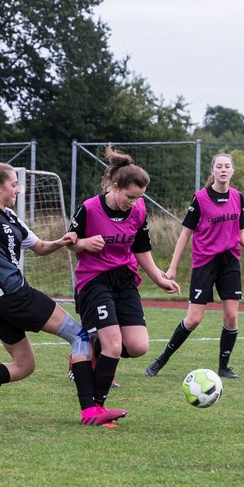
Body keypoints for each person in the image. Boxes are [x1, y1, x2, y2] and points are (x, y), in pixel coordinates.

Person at [0, 162, 124, 426]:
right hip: (12, 294)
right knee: (80, 337)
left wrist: (61, 242)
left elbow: (41, 247)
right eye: (14, 184)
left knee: (24, 365)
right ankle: (91, 410)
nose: (18, 189)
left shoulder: (11, 218)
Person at [69, 145, 179, 407]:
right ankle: (96, 406)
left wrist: (159, 278)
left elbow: (141, 249)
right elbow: (70, 242)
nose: (134, 202)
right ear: (115, 186)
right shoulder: (89, 209)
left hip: (125, 279)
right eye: (130, 196)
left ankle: (93, 341)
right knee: (114, 346)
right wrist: (84, 244)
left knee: (139, 346)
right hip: (94, 280)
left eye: (139, 197)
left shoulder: (139, 210)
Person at [144, 152, 244, 380]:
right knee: (194, 319)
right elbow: (185, 234)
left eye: (227, 166)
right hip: (205, 262)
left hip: (229, 261)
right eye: (219, 166)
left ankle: (224, 368)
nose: (223, 169)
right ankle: (160, 361)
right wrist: (173, 267)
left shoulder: (238, 197)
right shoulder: (200, 199)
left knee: (231, 317)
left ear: (232, 171)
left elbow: (240, 233)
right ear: (213, 171)